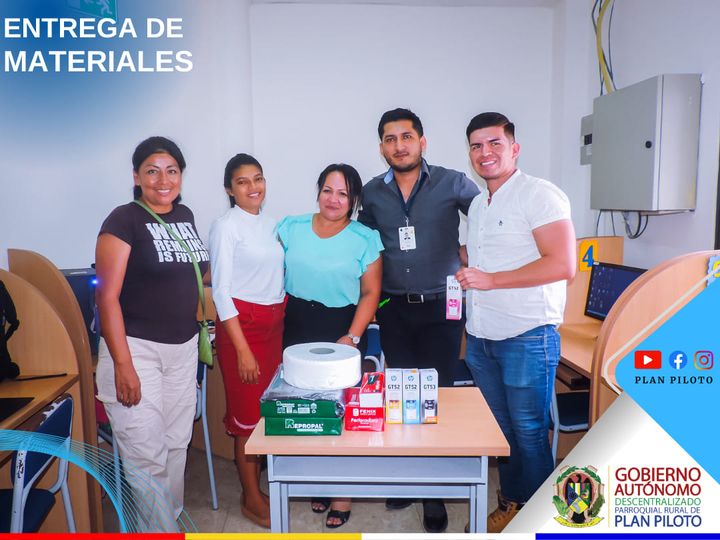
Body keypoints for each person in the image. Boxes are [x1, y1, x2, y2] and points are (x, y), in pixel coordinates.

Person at [358, 107, 479, 533]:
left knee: (436, 396)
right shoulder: (372, 193)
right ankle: (410, 477)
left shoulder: (452, 182)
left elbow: (491, 215)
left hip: (442, 306)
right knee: (403, 396)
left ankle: (434, 492)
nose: (399, 146)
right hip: (394, 307)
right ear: (381, 147)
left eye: (406, 137)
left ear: (422, 142)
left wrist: (472, 254)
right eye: (390, 139)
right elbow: (362, 244)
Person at [456, 112, 576, 532]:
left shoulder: (540, 195)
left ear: (514, 148)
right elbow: (481, 255)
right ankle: (512, 502)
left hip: (526, 336)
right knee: (501, 431)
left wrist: (491, 280)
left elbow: (563, 264)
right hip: (482, 337)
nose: (485, 153)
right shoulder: (478, 204)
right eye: (476, 145)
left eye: (495, 143)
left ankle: (541, 519)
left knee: (529, 431)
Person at [95, 136, 209, 526]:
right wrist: (123, 365)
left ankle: (164, 523)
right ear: (136, 176)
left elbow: (195, 274)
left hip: (182, 350)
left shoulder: (185, 216)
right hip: (135, 351)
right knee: (146, 457)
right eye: (152, 171)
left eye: (171, 171)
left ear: (181, 175)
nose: (163, 180)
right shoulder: (123, 219)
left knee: (176, 446)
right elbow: (107, 298)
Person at [277, 163, 383, 529]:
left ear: (354, 200)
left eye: (343, 194)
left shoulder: (365, 238)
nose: (333, 199)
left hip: (343, 328)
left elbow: (371, 292)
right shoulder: (290, 228)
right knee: (307, 409)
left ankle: (342, 492)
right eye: (327, 190)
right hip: (296, 325)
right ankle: (318, 481)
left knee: (342, 411)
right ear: (318, 191)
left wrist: (352, 337)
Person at [209, 153, 286, 529]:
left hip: (273, 328)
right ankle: (251, 497)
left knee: (266, 414)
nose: (253, 187)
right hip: (243, 331)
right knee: (247, 420)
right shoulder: (226, 227)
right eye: (243, 181)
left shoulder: (272, 225)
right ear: (230, 189)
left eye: (258, 178)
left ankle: (257, 488)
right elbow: (221, 292)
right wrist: (242, 349)